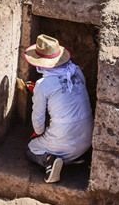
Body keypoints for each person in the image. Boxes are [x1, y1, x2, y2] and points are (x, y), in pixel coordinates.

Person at [24, 34, 94, 184]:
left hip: (63, 141)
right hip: (86, 140)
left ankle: (50, 160)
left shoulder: (43, 84)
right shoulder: (76, 71)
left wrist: (37, 135)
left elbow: (38, 125)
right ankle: (72, 158)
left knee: (31, 149)